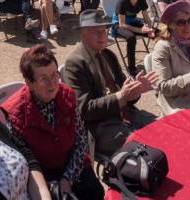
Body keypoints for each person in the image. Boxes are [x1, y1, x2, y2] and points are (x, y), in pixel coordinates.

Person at [0, 45, 103, 200]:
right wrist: (51, 186)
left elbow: (81, 141)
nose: (53, 83)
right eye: (44, 79)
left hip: (72, 166)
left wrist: (68, 178)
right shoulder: (16, 115)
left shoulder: (66, 95)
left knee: (94, 192)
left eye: (55, 75)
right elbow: (24, 163)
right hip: (43, 177)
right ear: (29, 82)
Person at [62, 9, 159, 156]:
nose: (103, 35)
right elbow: (85, 110)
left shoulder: (108, 55)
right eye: (97, 32)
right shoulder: (75, 63)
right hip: (101, 125)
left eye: (104, 30)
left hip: (126, 114)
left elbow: (125, 93)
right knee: (146, 148)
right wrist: (122, 96)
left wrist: (136, 91)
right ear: (83, 34)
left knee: (163, 128)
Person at [111, 0, 156, 77]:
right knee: (131, 37)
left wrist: (150, 29)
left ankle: (159, 60)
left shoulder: (142, 1)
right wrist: (140, 30)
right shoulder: (122, 2)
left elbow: (146, 18)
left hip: (133, 23)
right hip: (118, 26)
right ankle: (131, 69)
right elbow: (122, 24)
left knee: (159, 33)